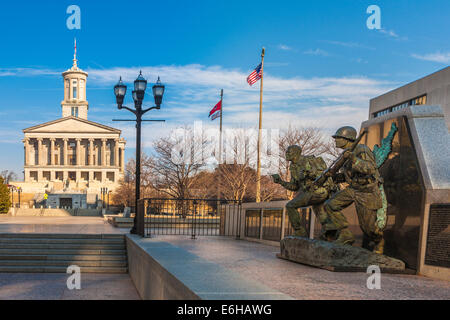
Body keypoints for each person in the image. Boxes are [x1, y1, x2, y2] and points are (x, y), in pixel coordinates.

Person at [322, 126, 385, 253]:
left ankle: (379, 241)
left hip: (366, 191)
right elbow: (349, 176)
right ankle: (345, 234)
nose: (335, 140)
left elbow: (370, 169)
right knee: (330, 205)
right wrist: (333, 176)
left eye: (338, 138)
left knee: (368, 228)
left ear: (347, 138)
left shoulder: (362, 150)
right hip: (353, 189)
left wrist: (352, 158)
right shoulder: (345, 153)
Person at [272, 145, 335, 237]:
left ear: (296, 153)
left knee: (290, 206)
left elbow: (323, 174)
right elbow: (295, 186)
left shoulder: (308, 160)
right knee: (322, 216)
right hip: (311, 192)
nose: (286, 154)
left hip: (318, 190)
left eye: (289, 152)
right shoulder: (293, 166)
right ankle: (331, 235)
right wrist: (281, 182)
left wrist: (309, 174)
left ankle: (299, 231)